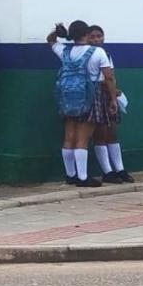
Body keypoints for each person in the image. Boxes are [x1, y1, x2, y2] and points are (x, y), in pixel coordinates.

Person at [48, 19, 117, 187]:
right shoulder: (97, 53)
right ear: (87, 34)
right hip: (89, 98)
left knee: (69, 137)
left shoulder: (63, 50)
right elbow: (108, 77)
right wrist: (113, 99)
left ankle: (70, 175)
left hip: (67, 98)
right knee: (82, 139)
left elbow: (50, 40)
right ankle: (83, 177)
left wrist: (59, 32)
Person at [86, 25, 132, 184]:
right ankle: (107, 171)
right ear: (86, 38)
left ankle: (120, 169)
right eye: (93, 36)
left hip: (108, 94)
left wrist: (113, 93)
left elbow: (110, 76)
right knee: (100, 133)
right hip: (96, 95)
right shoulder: (86, 55)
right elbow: (102, 79)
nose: (97, 39)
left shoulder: (106, 54)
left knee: (112, 132)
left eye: (99, 36)